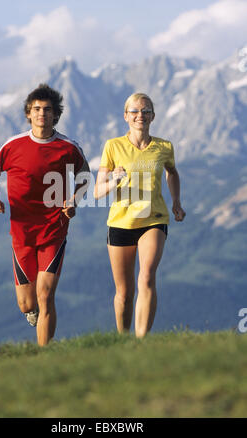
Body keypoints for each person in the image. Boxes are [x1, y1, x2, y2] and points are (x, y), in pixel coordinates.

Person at [0, 84, 90, 346]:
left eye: (48, 109)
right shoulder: (13, 145)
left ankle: (44, 354)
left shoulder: (68, 147)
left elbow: (85, 177)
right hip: (22, 231)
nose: (42, 113)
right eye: (37, 109)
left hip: (55, 228)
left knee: (45, 295)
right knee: (27, 303)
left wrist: (74, 201)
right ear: (28, 114)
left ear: (56, 115)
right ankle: (32, 312)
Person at [94, 92, 185, 337]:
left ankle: (141, 340)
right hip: (121, 223)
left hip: (154, 220)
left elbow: (172, 172)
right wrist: (113, 181)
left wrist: (176, 202)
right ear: (126, 116)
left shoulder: (164, 147)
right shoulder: (113, 146)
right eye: (134, 111)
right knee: (124, 293)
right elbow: (97, 191)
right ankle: (123, 339)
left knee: (146, 277)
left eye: (145, 111)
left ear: (153, 116)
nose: (140, 115)